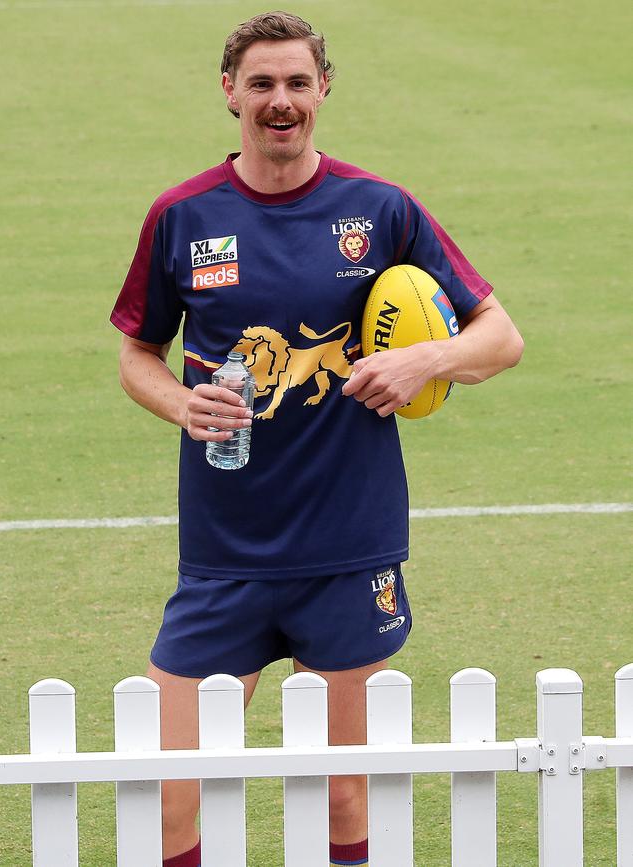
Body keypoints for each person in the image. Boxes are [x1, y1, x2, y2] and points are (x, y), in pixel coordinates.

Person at [110, 11, 524, 867]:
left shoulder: (379, 209)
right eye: (261, 83)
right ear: (230, 92)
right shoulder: (183, 216)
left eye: (298, 82)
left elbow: (501, 338)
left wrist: (425, 360)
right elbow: (137, 354)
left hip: (347, 545)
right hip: (224, 552)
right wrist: (179, 406)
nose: (281, 101)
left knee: (341, 787)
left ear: (324, 89)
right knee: (169, 787)